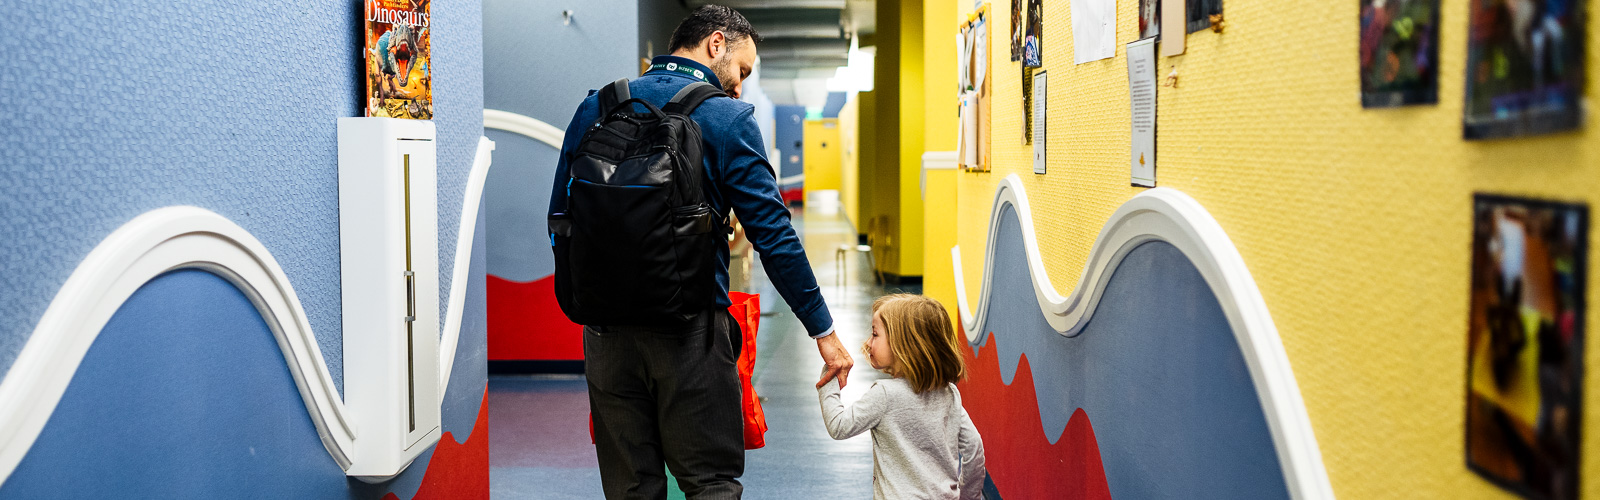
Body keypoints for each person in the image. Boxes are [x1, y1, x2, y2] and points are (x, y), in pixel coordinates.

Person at [547, 5, 855, 499]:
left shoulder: (595, 108)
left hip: (605, 336)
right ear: (716, 44)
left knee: (630, 489)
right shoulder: (727, 119)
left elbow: (561, 218)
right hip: (690, 334)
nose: (739, 86)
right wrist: (822, 328)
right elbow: (773, 234)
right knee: (709, 483)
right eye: (742, 71)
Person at [818, 294, 986, 500]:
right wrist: (969, 496)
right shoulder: (950, 393)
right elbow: (974, 447)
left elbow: (839, 426)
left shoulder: (885, 395)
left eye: (875, 334)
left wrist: (829, 375)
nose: (868, 342)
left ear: (902, 345)